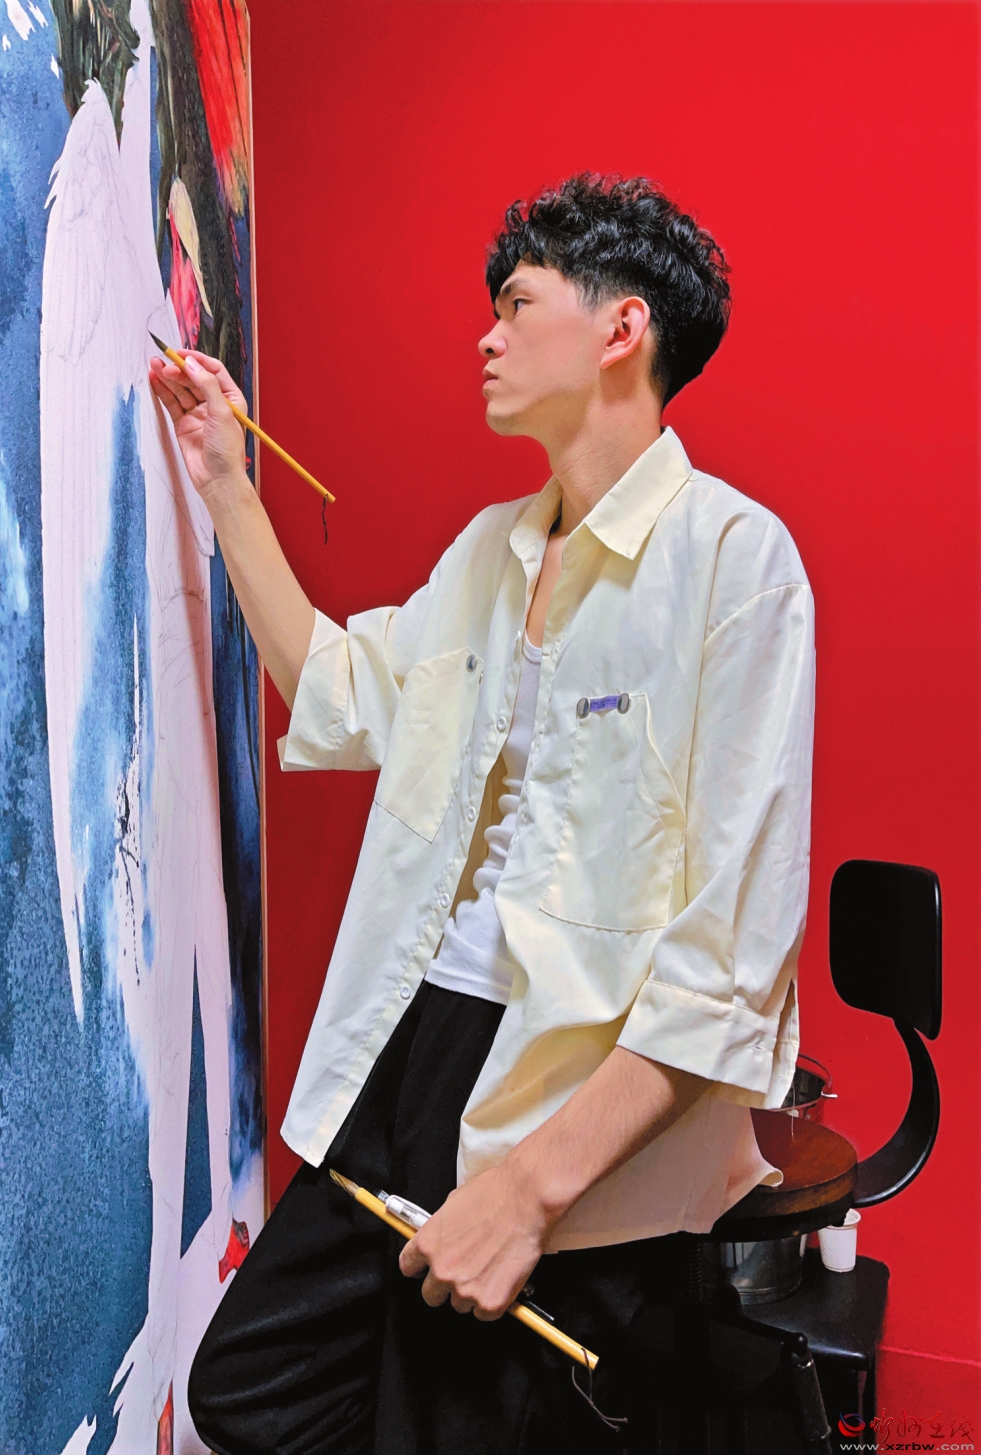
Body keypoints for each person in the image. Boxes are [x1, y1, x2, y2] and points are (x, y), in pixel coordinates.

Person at [149, 173, 814, 1454]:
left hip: (575, 1089)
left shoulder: (735, 562)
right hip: (416, 1036)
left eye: (515, 304)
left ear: (621, 327)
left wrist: (526, 1192)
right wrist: (224, 479)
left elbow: (727, 968)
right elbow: (339, 691)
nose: (486, 337)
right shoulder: (487, 550)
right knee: (248, 1388)